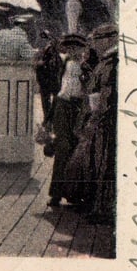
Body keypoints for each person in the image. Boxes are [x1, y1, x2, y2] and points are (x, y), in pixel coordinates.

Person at [68, 24, 119, 224]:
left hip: (103, 123)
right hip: (99, 121)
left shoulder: (111, 62)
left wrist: (92, 122)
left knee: (103, 165)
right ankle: (96, 206)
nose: (94, 45)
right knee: (96, 164)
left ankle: (103, 209)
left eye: (97, 40)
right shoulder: (106, 61)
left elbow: (104, 97)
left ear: (109, 39)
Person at [48, 34, 89, 208]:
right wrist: (49, 116)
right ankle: (56, 193)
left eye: (76, 47)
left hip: (78, 109)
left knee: (76, 149)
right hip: (62, 107)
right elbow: (57, 88)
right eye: (69, 47)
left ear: (82, 49)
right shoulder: (64, 63)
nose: (73, 51)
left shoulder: (86, 66)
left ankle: (73, 194)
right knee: (62, 148)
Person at [34, 31, 63, 129]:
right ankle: (48, 120)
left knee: (50, 100)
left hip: (50, 78)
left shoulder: (53, 50)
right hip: (47, 78)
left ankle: (48, 120)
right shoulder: (44, 49)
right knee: (47, 101)